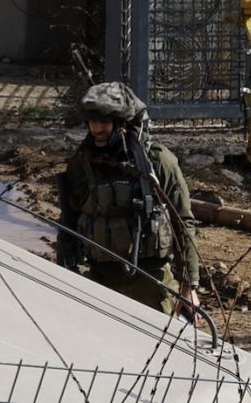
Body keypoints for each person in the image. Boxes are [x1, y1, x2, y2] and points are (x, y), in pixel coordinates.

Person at [54, 82, 201, 317]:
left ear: (123, 125)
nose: (96, 129)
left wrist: (189, 285)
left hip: (151, 281)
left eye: (103, 122)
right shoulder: (82, 164)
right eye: (92, 122)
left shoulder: (158, 163)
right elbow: (69, 222)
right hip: (100, 279)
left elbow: (182, 223)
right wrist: (65, 271)